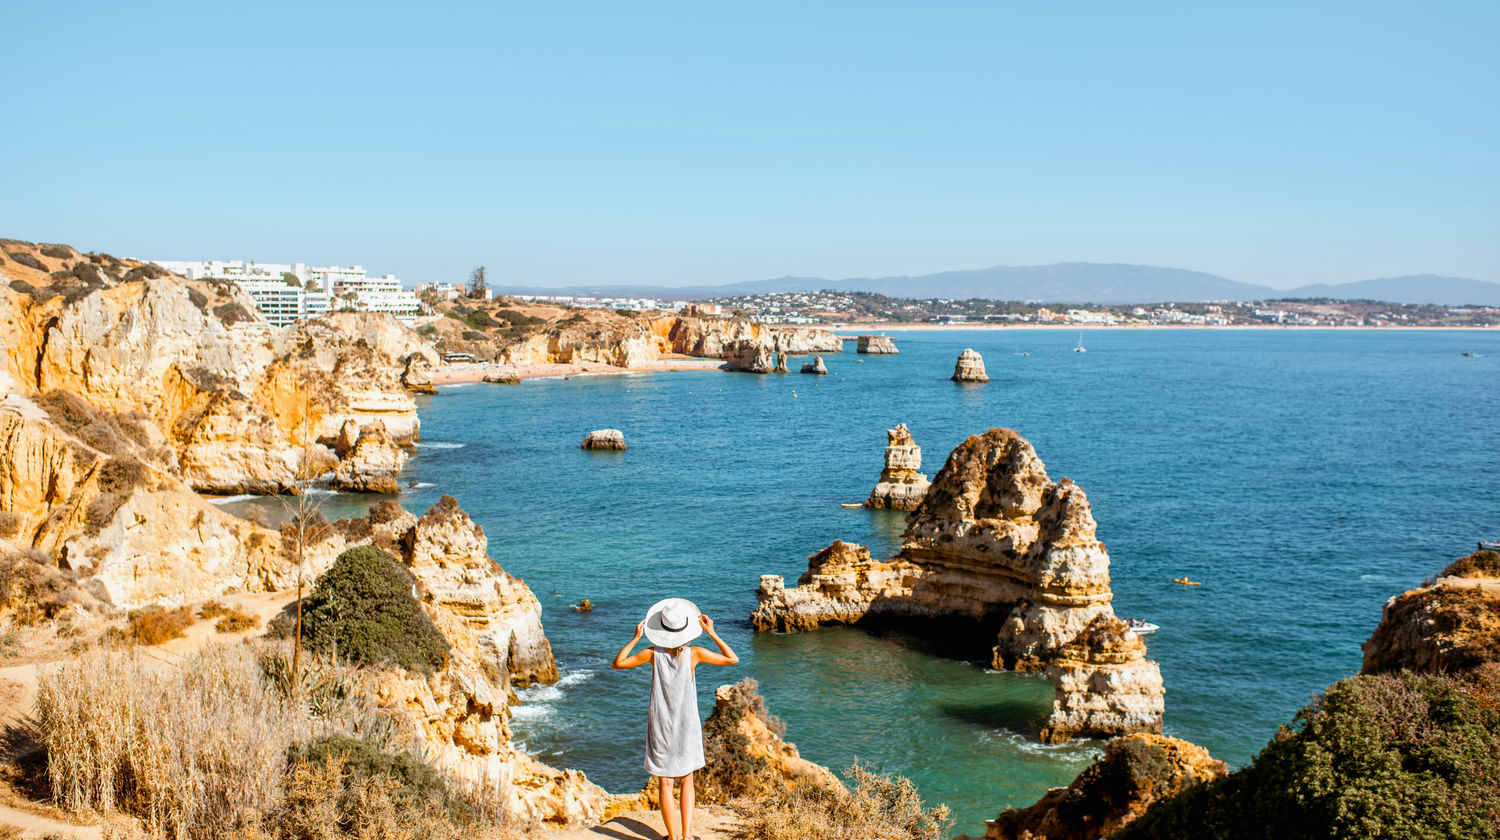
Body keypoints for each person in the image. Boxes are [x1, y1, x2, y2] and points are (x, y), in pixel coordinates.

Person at [612, 598, 738, 840]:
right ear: (686, 628)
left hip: (660, 724)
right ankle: (687, 836)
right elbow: (732, 659)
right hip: (687, 725)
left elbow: (617, 664)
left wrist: (636, 637)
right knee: (687, 779)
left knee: (665, 782)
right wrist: (712, 632)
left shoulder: (651, 654)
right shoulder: (695, 654)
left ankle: (671, 837)